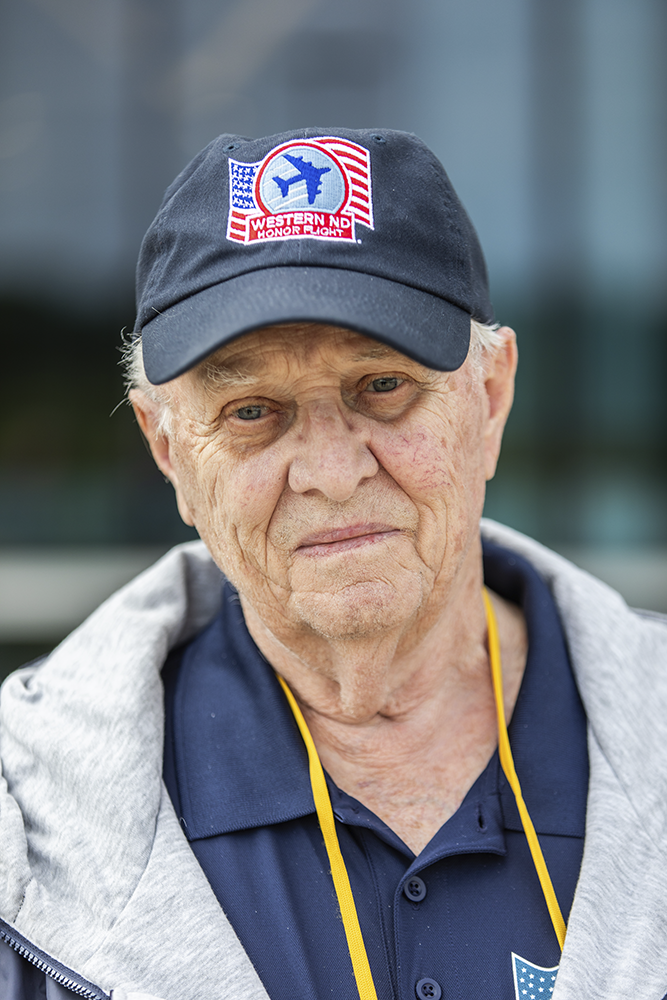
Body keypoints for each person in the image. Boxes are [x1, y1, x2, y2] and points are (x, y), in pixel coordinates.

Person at [0, 128, 666, 1000]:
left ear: (491, 399)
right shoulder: (23, 823)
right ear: (168, 452)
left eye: (381, 387)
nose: (331, 472)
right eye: (251, 411)